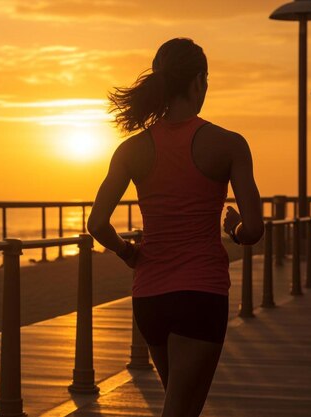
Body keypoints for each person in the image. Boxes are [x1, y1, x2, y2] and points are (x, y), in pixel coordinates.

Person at [87, 38, 264, 417]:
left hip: (150, 298)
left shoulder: (131, 150)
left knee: (181, 408)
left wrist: (127, 252)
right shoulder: (228, 144)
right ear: (199, 81)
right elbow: (254, 229)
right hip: (201, 294)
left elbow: (97, 223)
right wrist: (234, 231)